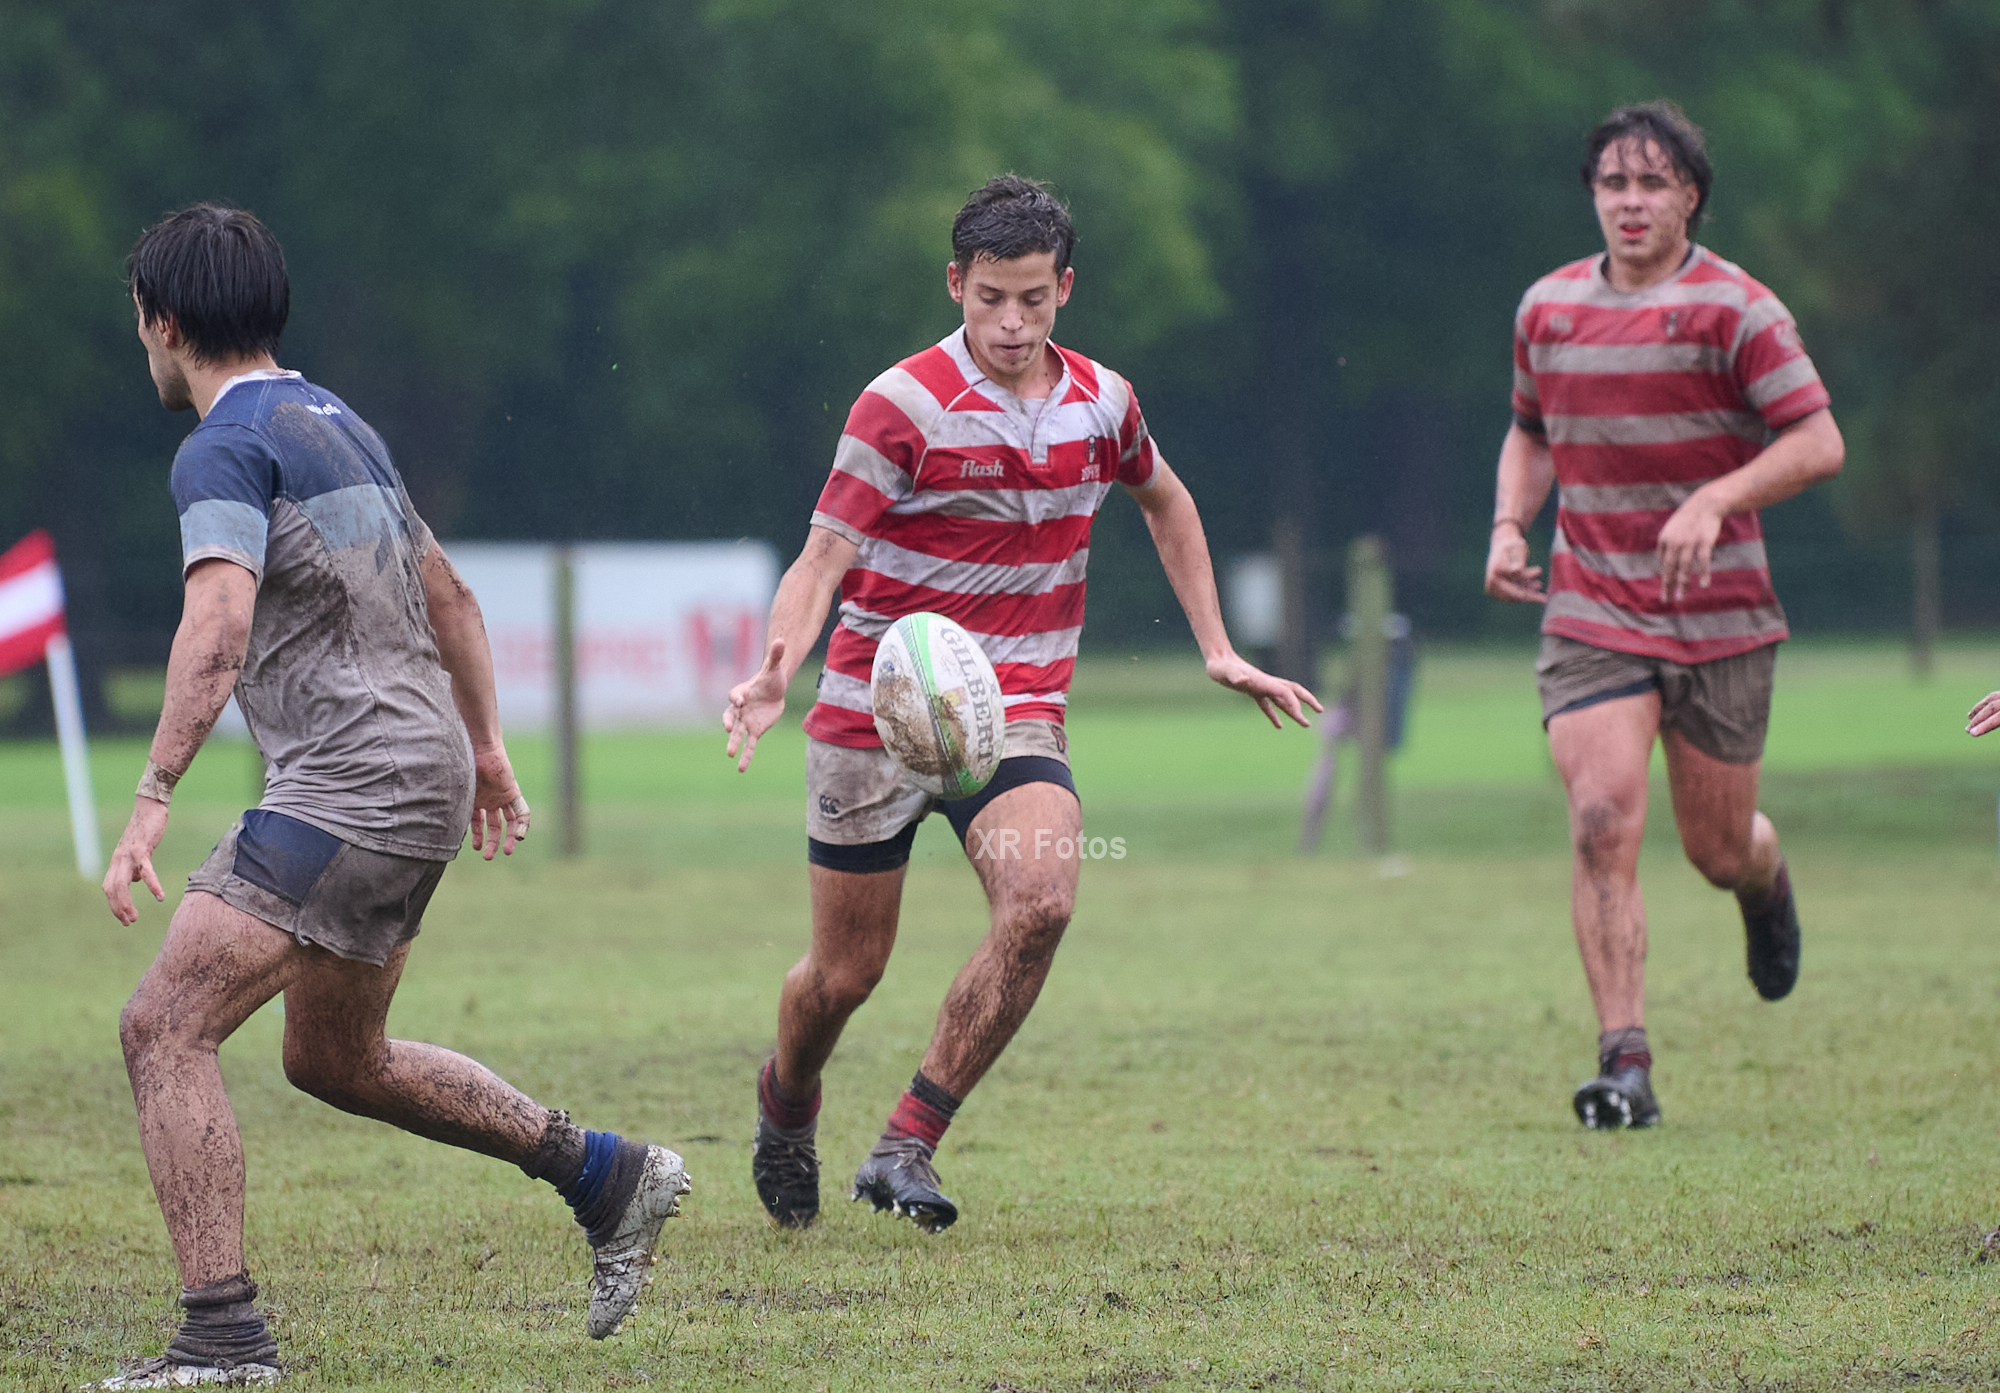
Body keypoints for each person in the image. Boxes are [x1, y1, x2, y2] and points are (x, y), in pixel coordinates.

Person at [98, 205, 689, 1388]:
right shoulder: (338, 423)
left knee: (163, 1024)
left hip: (350, 785)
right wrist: (484, 750)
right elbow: (453, 596)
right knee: (334, 1056)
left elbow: (215, 625)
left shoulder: (219, 445)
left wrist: (155, 789)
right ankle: (607, 1174)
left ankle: (220, 1339)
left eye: (140, 323)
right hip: (413, 776)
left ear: (164, 322)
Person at [724, 175, 1319, 1232]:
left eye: (1032, 300)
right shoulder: (898, 403)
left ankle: (908, 1140)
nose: (1009, 322)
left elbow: (1166, 500)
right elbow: (822, 556)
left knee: (1041, 903)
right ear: (955, 283)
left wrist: (1219, 647)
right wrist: (777, 667)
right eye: (989, 296)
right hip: (875, 713)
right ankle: (786, 1101)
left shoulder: (1103, 402)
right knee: (843, 974)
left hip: (1018, 709)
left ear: (1064, 291)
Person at [1483, 103, 1845, 1130]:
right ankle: (1623, 1064)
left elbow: (1817, 441)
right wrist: (1510, 525)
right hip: (1591, 603)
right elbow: (1528, 432)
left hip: (1719, 615)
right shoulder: (1546, 308)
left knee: (1713, 847)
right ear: (1590, 195)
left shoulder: (1738, 309)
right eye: (1611, 183)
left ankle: (1761, 881)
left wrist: (1715, 496)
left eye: (1651, 183)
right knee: (1599, 817)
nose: (1629, 202)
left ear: (1689, 193)